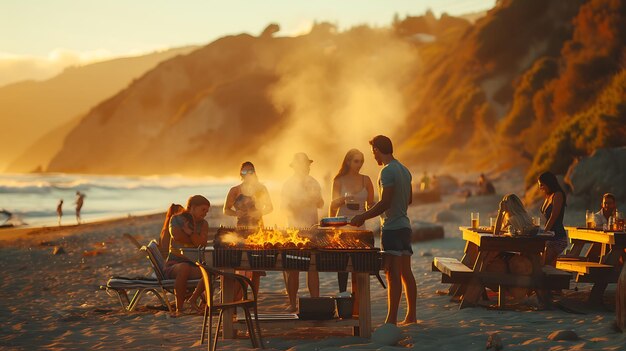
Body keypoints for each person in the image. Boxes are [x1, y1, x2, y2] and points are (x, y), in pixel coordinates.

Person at [350, 135, 416, 325]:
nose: (373, 157)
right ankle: (411, 316)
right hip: (405, 226)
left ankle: (391, 320)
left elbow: (385, 202)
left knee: (392, 274)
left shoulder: (387, 172)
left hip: (392, 228)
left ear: (378, 150)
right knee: (406, 273)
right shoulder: (404, 170)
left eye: (373, 153)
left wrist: (362, 216)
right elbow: (408, 199)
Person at [224, 161, 273, 295]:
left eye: (251, 171)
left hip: (258, 227)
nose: (248, 174)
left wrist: (259, 212)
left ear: (254, 173)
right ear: (241, 174)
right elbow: (226, 210)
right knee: (241, 264)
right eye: (245, 172)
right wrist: (235, 213)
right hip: (241, 228)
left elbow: (270, 207)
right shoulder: (235, 190)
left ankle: (254, 299)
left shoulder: (261, 189)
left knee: (256, 266)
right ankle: (239, 297)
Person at [282, 152, 323, 312]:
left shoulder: (314, 182)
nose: (307, 167)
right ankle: (292, 303)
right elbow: (285, 208)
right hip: (294, 230)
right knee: (294, 269)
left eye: (308, 164)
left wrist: (315, 199)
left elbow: (320, 203)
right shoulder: (288, 184)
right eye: (304, 164)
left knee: (313, 267)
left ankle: (315, 302)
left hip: (312, 228)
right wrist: (301, 202)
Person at [329, 149, 374, 294]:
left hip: (360, 225)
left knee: (359, 263)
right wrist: (332, 227)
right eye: (356, 161)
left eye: (361, 161)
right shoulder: (338, 180)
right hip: (343, 225)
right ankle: (343, 295)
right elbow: (332, 205)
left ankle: (360, 298)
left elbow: (371, 206)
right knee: (342, 264)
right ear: (348, 161)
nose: (359, 164)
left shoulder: (366, 180)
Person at [165, 195, 210, 315]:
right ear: (193, 207)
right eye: (203, 210)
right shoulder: (176, 219)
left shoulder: (203, 224)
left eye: (207, 211)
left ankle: (194, 300)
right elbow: (177, 236)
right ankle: (179, 309)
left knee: (211, 270)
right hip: (174, 264)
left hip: (194, 265)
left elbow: (202, 243)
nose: (205, 213)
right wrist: (195, 238)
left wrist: (189, 232)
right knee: (184, 267)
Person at [538, 172, 568, 267]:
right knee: (550, 267)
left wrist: (544, 234)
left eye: (542, 185)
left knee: (541, 264)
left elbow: (554, 216)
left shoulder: (558, 195)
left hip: (557, 238)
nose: (540, 187)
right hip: (550, 237)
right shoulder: (548, 196)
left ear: (549, 183)